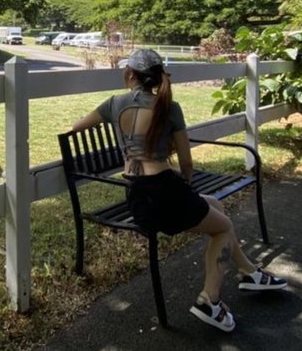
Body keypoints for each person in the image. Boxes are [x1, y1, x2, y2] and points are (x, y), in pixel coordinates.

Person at [70, 48, 286, 332]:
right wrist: (184, 181)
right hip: (166, 194)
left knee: (216, 208)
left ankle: (248, 272)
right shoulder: (169, 108)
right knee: (223, 227)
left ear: (129, 74)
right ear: (158, 78)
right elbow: (186, 162)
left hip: (138, 197)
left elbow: (77, 127)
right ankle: (210, 300)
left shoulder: (114, 103)